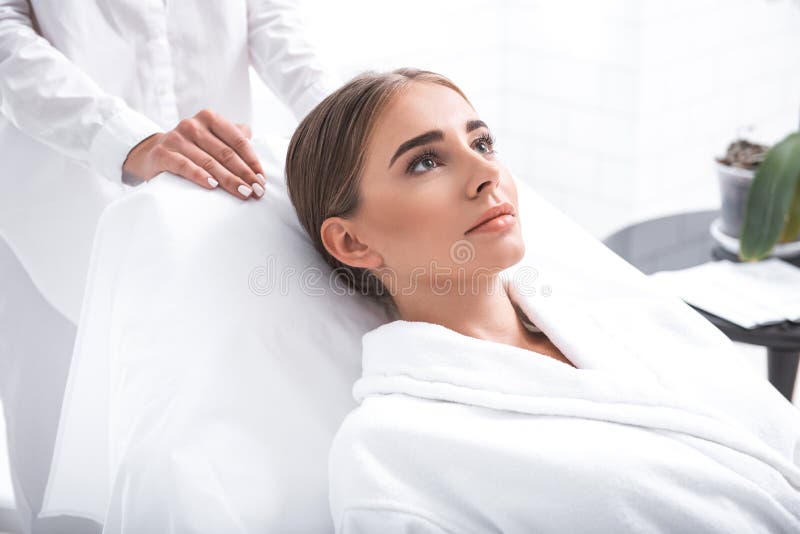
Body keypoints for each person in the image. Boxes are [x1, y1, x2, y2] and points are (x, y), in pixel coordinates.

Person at [284, 68, 800, 532]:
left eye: (482, 143)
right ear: (353, 243)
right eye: (424, 162)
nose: (486, 174)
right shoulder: (387, 453)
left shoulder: (624, 315)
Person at [0, 1, 340, 532]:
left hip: (210, 211)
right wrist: (126, 138)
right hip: (57, 206)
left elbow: (270, 14)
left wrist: (349, 121)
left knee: (202, 449)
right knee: (65, 460)